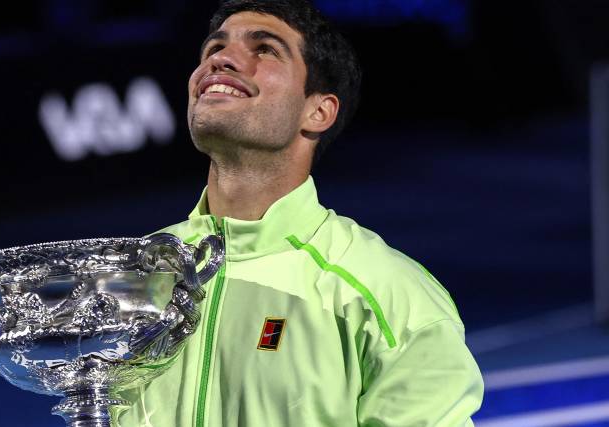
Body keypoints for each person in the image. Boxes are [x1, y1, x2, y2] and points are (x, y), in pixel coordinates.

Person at [117, 1, 484, 426]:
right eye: (214, 48)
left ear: (318, 111)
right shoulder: (138, 274)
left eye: (266, 49)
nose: (221, 58)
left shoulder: (384, 292)